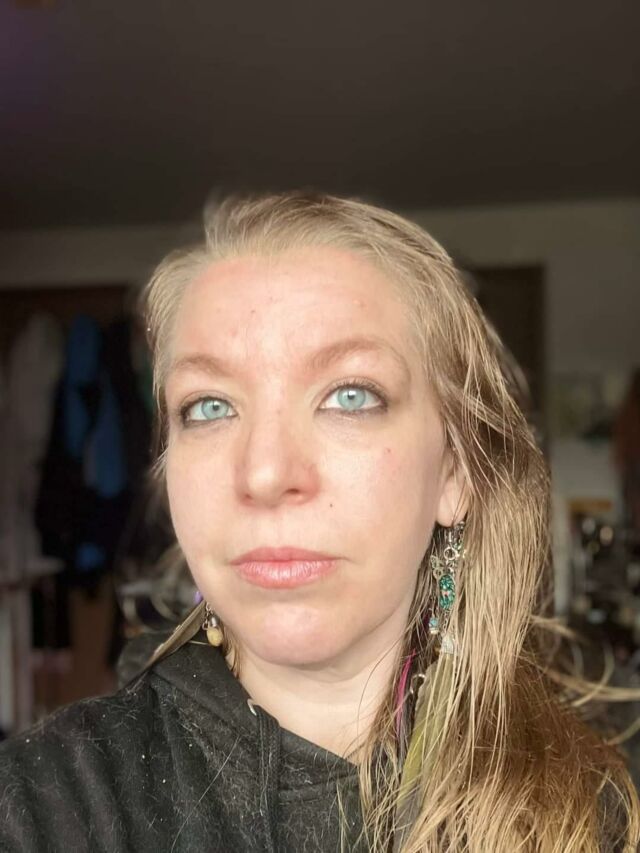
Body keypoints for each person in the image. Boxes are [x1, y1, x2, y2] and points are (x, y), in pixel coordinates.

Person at [1, 191, 638, 852]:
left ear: (454, 473)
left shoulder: (602, 804)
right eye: (210, 406)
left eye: (350, 395)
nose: (265, 472)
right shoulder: (38, 809)